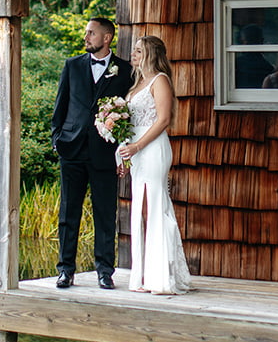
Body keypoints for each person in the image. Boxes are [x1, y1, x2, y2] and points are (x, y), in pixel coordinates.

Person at [51, 17, 133, 289]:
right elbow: (60, 106)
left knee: (105, 213)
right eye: (86, 32)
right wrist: (57, 140)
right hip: (72, 149)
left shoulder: (125, 70)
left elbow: (128, 114)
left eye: (91, 33)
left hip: (104, 152)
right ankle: (65, 270)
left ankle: (104, 271)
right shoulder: (72, 65)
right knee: (68, 212)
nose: (86, 37)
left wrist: (121, 152)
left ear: (106, 37)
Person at [116, 35, 192, 295]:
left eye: (138, 50)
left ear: (150, 54)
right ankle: (144, 274)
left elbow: (162, 120)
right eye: (134, 50)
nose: (133, 54)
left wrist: (138, 146)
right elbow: (129, 123)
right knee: (141, 208)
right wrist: (124, 154)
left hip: (153, 148)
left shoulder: (160, 81)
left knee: (155, 206)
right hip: (136, 152)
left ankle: (161, 275)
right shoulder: (138, 83)